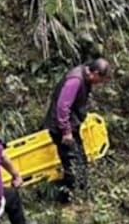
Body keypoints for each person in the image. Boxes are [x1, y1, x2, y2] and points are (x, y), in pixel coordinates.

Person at [44, 58, 112, 202]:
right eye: (101, 79)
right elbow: (62, 107)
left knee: (80, 159)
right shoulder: (75, 80)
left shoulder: (84, 76)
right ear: (95, 73)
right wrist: (66, 131)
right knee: (72, 162)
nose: (100, 84)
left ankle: (81, 193)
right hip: (61, 129)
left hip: (69, 126)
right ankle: (70, 199)